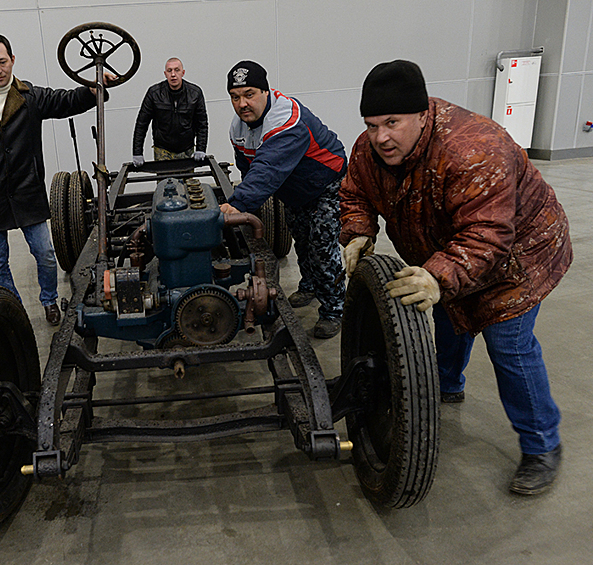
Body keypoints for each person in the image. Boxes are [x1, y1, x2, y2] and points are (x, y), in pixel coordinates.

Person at [340, 59, 572, 495]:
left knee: (510, 347)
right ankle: (444, 385)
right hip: (447, 251)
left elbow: (488, 235)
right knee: (447, 317)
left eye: (392, 122)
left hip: (516, 258)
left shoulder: (474, 150)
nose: (381, 136)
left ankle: (543, 446)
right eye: (372, 125)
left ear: (423, 113)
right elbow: (355, 191)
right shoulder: (370, 149)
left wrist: (439, 276)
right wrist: (357, 230)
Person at [0, 33, 106, 325]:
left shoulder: (29, 97)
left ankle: (49, 300)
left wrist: (93, 91)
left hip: (28, 194)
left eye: (3, 61)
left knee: (45, 254)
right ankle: (14, 311)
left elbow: (65, 101)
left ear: (13, 60)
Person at [220, 61, 347, 339]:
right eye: (235, 96)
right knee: (301, 238)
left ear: (266, 91)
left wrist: (237, 204)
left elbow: (268, 168)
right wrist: (245, 208)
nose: (242, 103)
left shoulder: (286, 117)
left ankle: (334, 309)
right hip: (294, 190)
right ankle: (311, 285)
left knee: (321, 245)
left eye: (249, 94)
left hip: (325, 183)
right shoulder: (238, 127)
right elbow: (249, 169)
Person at [132, 57, 208, 165]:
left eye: (177, 70)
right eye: (169, 71)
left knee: (188, 181)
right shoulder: (154, 93)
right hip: (162, 150)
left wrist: (201, 149)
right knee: (165, 182)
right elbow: (141, 124)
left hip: (187, 150)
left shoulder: (195, 93)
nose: (173, 74)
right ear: (165, 74)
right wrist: (137, 152)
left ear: (183, 72)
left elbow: (202, 124)